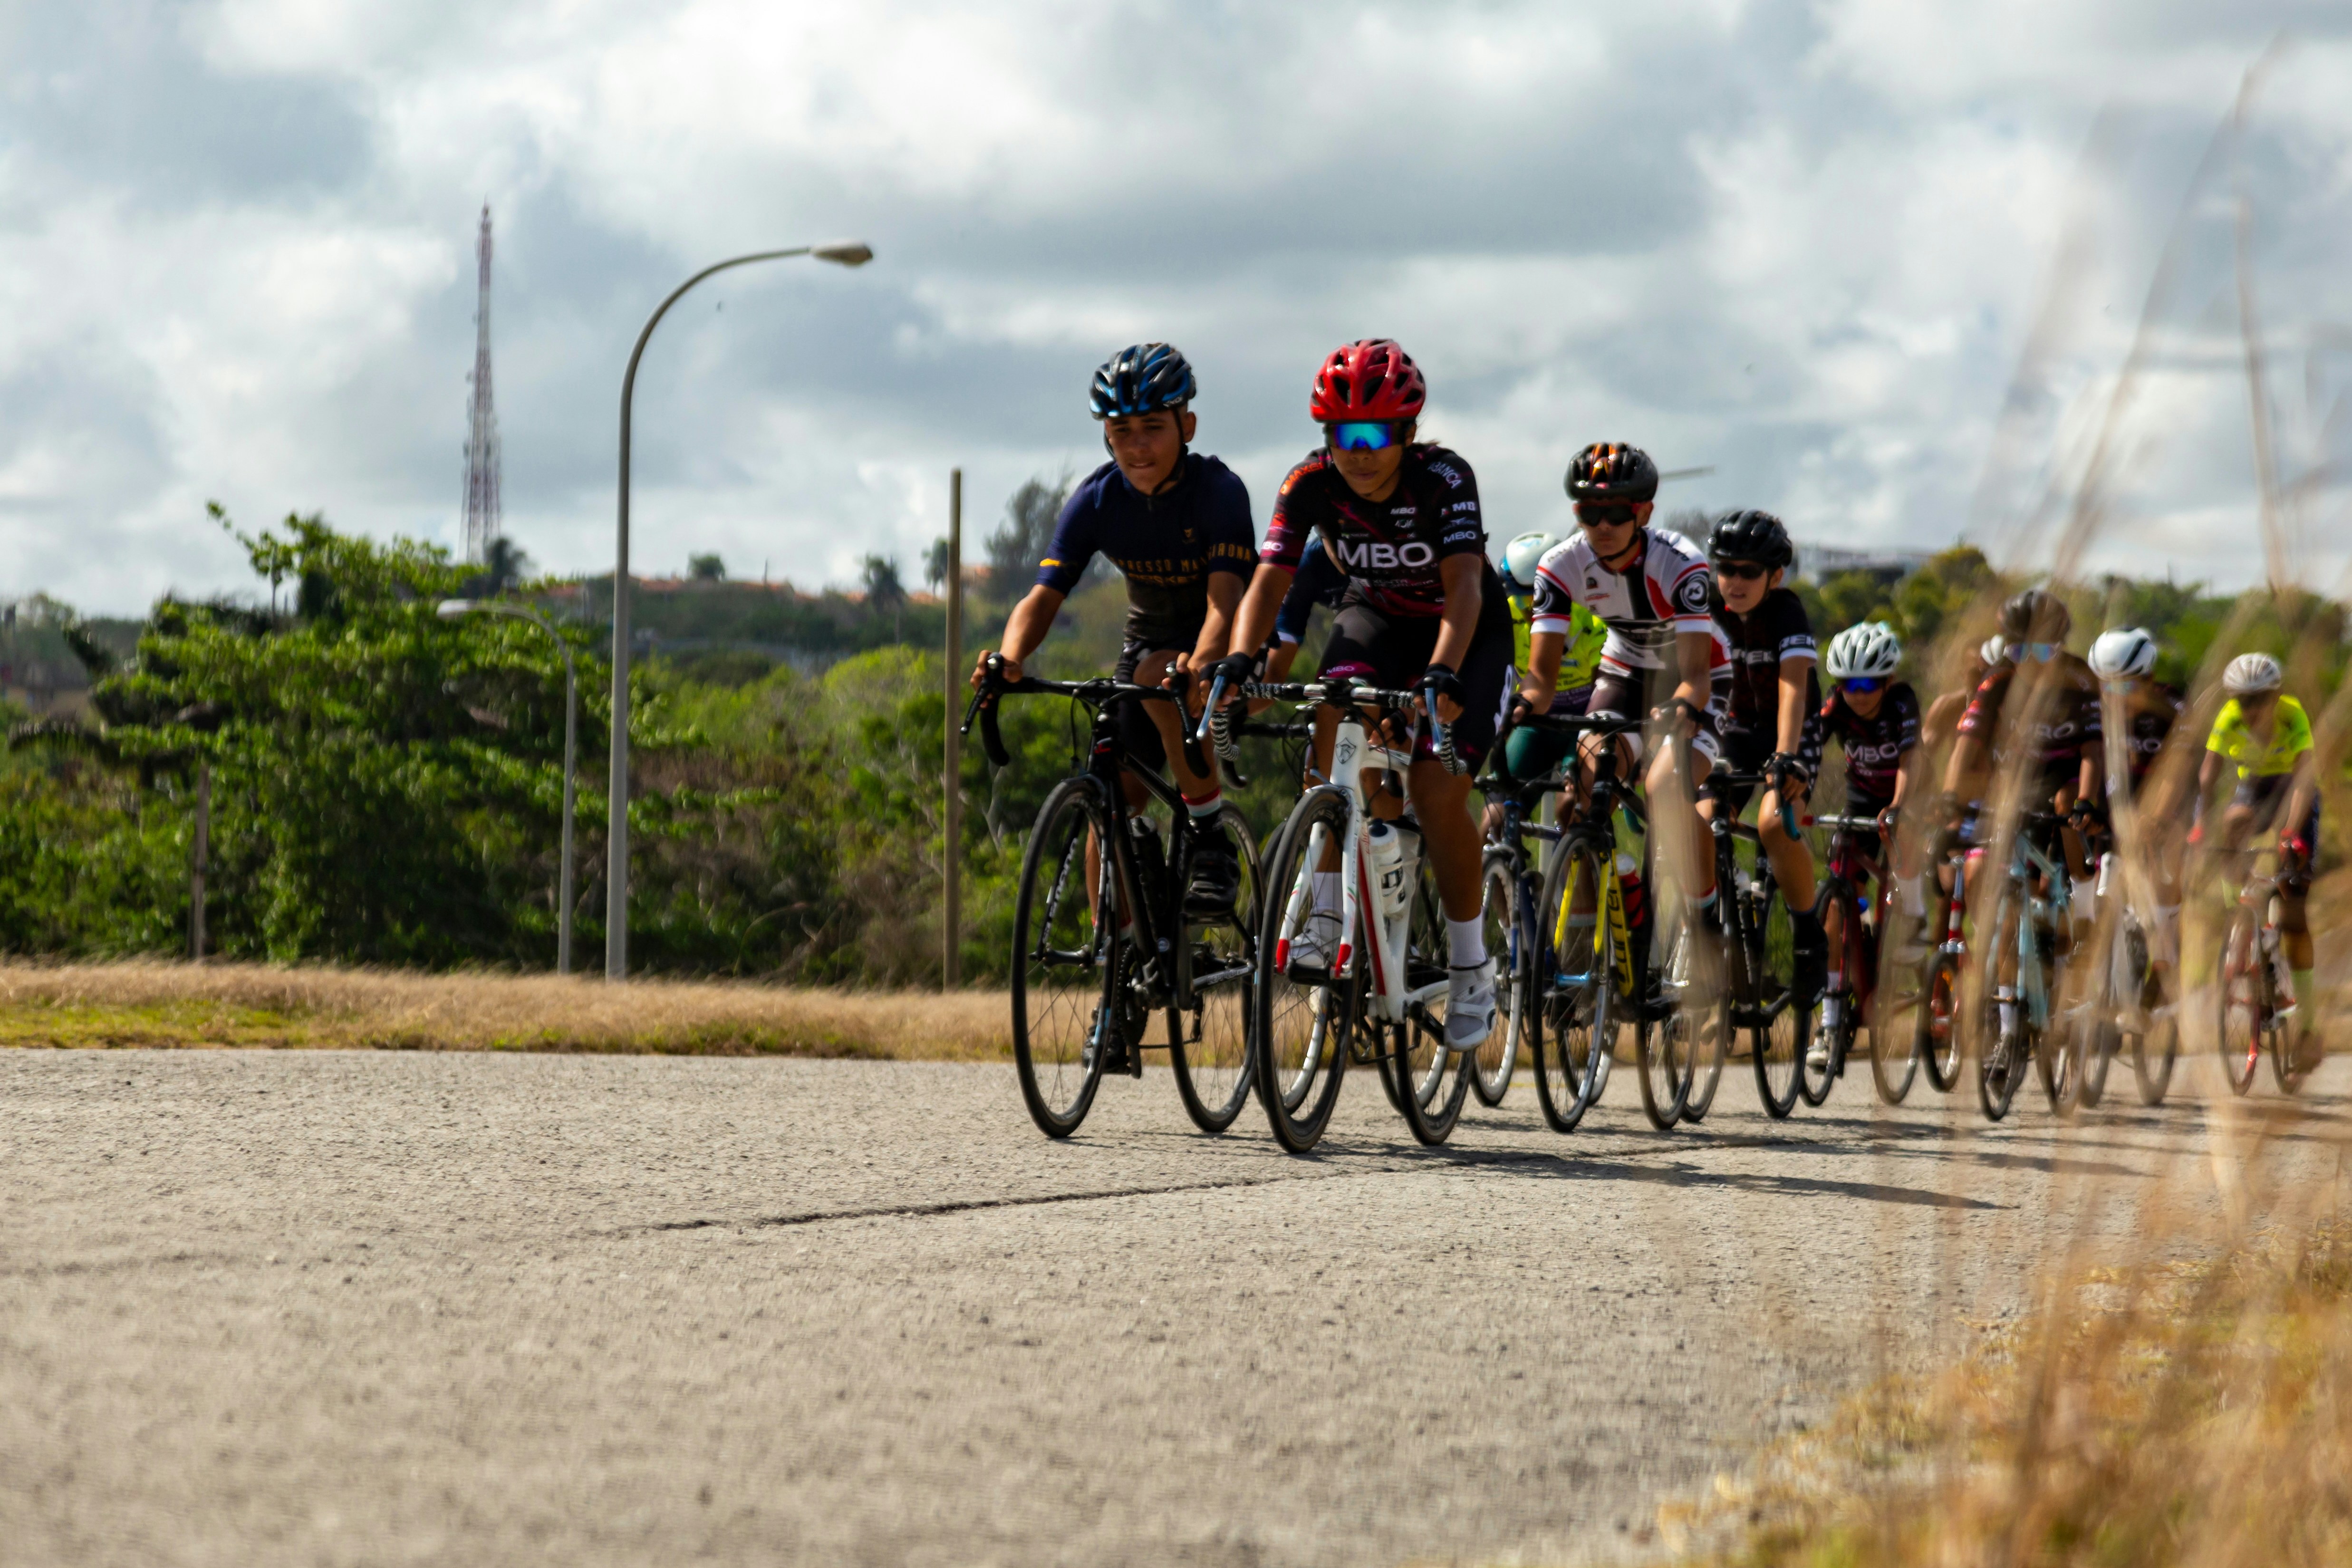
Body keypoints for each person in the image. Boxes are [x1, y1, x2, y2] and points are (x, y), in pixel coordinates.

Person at [1215, 338, 1513, 1049]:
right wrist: (1237, 657)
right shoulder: (1309, 483)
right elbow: (1269, 582)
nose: (1358, 451)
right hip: (1376, 617)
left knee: (1439, 790)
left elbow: (1465, 584)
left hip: (1461, 631)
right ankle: (1327, 906)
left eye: (1374, 435)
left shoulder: (1444, 477)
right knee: (1333, 705)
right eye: (1341, 435)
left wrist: (1441, 670)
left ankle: (1472, 964)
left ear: (1407, 433)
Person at [973, 342, 1253, 908]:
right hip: (1148, 647)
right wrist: (1009, 657)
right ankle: (1122, 962)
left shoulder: (1218, 493)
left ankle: (1208, 836)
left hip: (1224, 647)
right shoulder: (1098, 500)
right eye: (1121, 430)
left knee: (1158, 672)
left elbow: (1225, 604)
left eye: (1152, 427)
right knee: (1110, 804)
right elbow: (1043, 596)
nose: (1137, 445)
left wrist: (1199, 664)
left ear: (1188, 425)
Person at [1523, 443, 1726, 936]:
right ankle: (1607, 927)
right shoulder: (1559, 564)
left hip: (1696, 677)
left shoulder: (1679, 562)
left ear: (1644, 513)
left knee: (1664, 792)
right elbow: (1541, 680)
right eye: (1590, 512)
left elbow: (1697, 676)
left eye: (1617, 512)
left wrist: (1681, 706)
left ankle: (1705, 919)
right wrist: (1519, 709)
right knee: (1582, 798)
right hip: (1626, 669)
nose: (1603, 525)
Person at [1704, 509, 1825, 998]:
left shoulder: (1786, 611)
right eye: (1726, 569)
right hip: (1736, 733)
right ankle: (1725, 917)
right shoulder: (1708, 609)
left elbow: (1792, 684)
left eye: (1749, 572)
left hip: (1789, 731)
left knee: (1775, 822)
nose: (1735, 580)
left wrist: (1785, 755)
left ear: (1774, 576)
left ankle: (1806, 933)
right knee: (1699, 820)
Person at [2192, 651, 2323, 1071]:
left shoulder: (2293, 716)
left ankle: (2308, 1028)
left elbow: (2304, 782)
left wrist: (2290, 834)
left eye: (2258, 699)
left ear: (2276, 695)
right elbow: (2209, 773)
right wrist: (2198, 823)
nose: (2249, 709)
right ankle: (2240, 916)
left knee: (2294, 910)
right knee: (2235, 821)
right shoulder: (2228, 717)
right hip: (2255, 789)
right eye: (2241, 700)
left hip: (2294, 791)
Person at [1813, 623, 1926, 1065]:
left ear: (1888, 682)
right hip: (1860, 798)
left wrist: (1899, 806)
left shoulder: (1902, 703)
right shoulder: (1837, 703)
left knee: (1908, 841)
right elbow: (1810, 742)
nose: (1857, 693)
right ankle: (1830, 1020)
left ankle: (1911, 920)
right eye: (1848, 684)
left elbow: (1910, 759)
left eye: (1868, 683)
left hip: (1905, 793)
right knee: (1839, 899)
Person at [2087, 625, 2186, 977]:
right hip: (2121, 797)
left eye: (2125, 686)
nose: (2114, 696)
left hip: (2170, 797)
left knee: (2167, 863)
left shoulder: (2172, 710)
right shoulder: (2094, 710)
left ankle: (2167, 946)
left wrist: (2156, 820)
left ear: (2149, 679)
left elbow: (2176, 775)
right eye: (2105, 685)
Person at [1488, 530, 1607, 813]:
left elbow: (1603, 692)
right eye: (1521, 599)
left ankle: (1581, 850)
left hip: (1583, 723)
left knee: (1573, 809)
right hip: (1536, 723)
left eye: (1538, 598)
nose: (1531, 610)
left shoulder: (1592, 621)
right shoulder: (1505, 619)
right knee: (1496, 814)